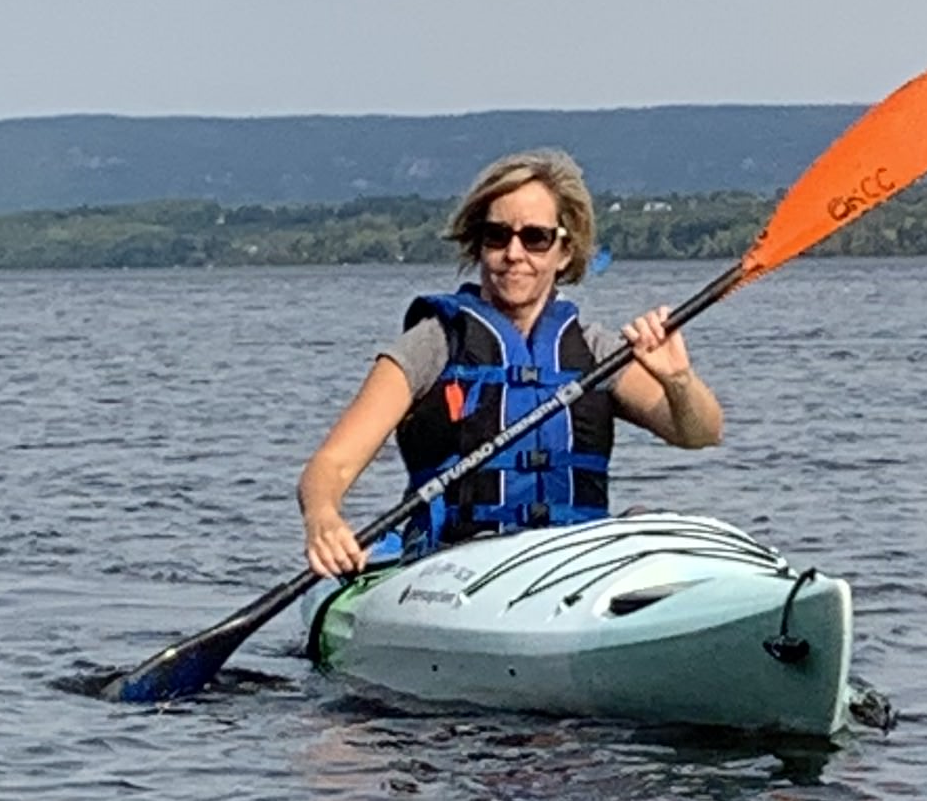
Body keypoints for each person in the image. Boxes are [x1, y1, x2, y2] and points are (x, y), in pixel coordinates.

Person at [296, 149, 723, 577]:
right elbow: (330, 466)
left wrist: (678, 380)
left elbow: (700, 433)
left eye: (535, 238)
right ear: (478, 245)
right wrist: (324, 519)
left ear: (564, 252)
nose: (513, 253)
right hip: (455, 568)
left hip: (570, 566)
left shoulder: (594, 351)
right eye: (497, 236)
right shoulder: (433, 345)